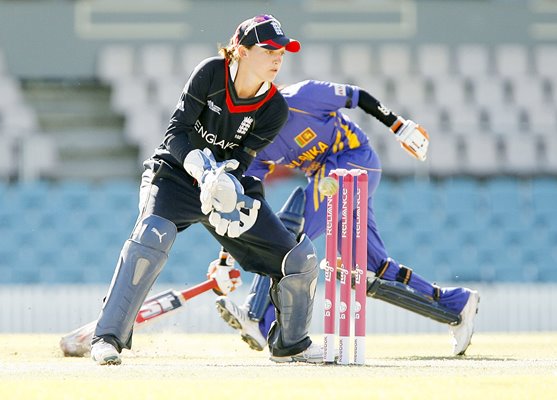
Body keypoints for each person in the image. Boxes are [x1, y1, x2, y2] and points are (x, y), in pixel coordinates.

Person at [90, 15, 324, 365]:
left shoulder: (275, 108)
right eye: (269, 49)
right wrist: (199, 167)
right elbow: (176, 133)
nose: (278, 58)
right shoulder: (211, 74)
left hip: (227, 191)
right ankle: (106, 338)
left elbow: (243, 158)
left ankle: (291, 345)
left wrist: (227, 183)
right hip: (175, 176)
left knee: (299, 261)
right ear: (241, 51)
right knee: (152, 236)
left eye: (283, 51)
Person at [213, 79, 480, 356]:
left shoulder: (303, 96)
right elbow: (244, 201)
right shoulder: (256, 143)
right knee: (369, 269)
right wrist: (225, 258)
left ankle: (257, 319)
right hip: (327, 178)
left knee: (288, 236)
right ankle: (455, 304)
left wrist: (398, 126)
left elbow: (358, 95)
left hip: (355, 159)